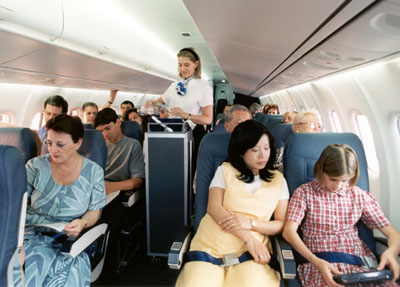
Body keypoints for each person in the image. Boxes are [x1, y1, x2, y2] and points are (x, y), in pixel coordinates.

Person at [177, 120, 289, 287]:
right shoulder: (225, 170)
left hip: (251, 253)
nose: (262, 155)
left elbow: (280, 224)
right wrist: (248, 239)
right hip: (211, 246)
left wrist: (251, 224)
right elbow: (214, 208)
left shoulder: (279, 180)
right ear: (241, 151)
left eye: (266, 148)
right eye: (255, 150)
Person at [283, 144, 400, 287]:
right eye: (333, 179)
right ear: (320, 170)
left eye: (345, 180)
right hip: (320, 264)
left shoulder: (359, 196)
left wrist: (391, 253)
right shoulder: (304, 193)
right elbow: (289, 232)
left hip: (359, 266)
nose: (338, 185)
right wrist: (315, 260)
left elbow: (394, 234)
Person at [13, 114, 106, 286]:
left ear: (78, 143)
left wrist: (82, 222)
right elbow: (18, 204)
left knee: (67, 275)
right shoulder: (35, 166)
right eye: (49, 143)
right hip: (30, 235)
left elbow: (94, 211)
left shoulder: (94, 172)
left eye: (60, 145)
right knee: (23, 263)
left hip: (70, 239)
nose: (52, 149)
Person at [94, 108, 145, 271]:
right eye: (101, 131)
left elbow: (137, 181)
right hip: (97, 190)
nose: (105, 134)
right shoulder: (98, 145)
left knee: (109, 222)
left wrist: (111, 187)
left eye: (107, 128)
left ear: (118, 122)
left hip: (119, 192)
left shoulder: (132, 145)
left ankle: (103, 265)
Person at [145, 47, 213, 160]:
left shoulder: (204, 86)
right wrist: (152, 103)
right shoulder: (174, 85)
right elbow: (159, 105)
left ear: (196, 64)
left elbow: (207, 119)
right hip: (171, 130)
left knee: (188, 170)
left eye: (186, 65)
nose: (183, 69)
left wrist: (187, 115)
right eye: (180, 65)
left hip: (193, 133)